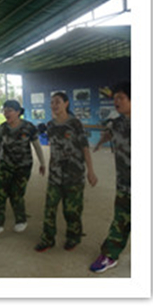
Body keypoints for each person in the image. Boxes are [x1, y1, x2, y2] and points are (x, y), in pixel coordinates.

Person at [34, 92, 98, 253]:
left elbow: (84, 147)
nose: (54, 105)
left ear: (66, 103)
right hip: (55, 174)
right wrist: (46, 166)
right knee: (49, 208)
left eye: (57, 102)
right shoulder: (50, 125)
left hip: (74, 174)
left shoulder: (75, 123)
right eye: (52, 102)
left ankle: (73, 237)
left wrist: (90, 171)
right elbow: (54, 148)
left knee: (72, 210)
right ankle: (47, 239)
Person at [0, 99, 46, 237]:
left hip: (23, 166)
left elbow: (37, 146)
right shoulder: (2, 128)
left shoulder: (28, 127)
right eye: (4, 111)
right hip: (6, 165)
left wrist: (42, 163)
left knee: (16, 194)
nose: (6, 113)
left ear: (18, 112)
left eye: (10, 110)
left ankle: (21, 220)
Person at [89, 82, 131, 273]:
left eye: (121, 97)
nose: (116, 101)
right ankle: (109, 255)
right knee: (120, 220)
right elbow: (109, 133)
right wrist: (100, 143)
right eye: (115, 98)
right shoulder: (116, 122)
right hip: (124, 184)